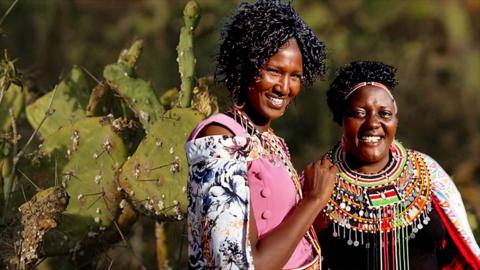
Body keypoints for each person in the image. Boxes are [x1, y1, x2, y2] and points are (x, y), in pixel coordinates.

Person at [185, 1, 337, 269]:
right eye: (274, 71)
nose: (284, 87)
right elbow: (238, 265)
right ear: (245, 65)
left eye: (295, 76)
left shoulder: (270, 140)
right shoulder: (220, 137)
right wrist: (312, 200)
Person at [316, 60, 480, 270]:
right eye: (359, 113)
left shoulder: (428, 172)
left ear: (396, 120)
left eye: (384, 114)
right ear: (342, 119)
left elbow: (462, 254)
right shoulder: (319, 180)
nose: (373, 123)